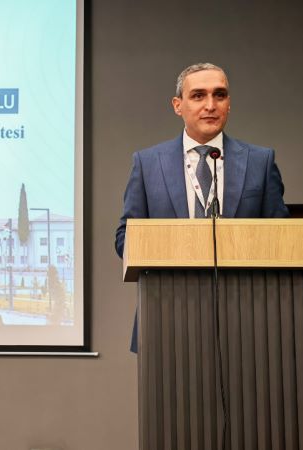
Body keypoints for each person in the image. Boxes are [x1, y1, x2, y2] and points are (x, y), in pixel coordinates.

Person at [115, 63, 290, 351]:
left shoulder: (260, 162)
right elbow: (125, 239)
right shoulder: (147, 163)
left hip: (246, 318)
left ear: (229, 104)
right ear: (178, 105)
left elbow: (281, 238)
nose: (210, 105)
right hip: (167, 314)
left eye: (219, 95)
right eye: (198, 96)